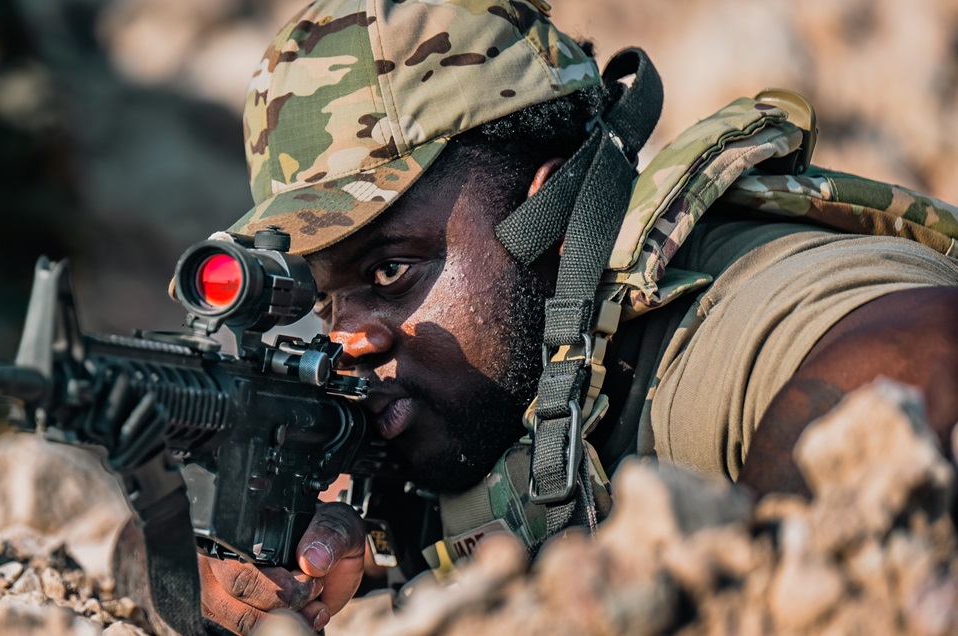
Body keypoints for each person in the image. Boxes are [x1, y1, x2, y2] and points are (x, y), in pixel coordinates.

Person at [195, 0, 958, 633]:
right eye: (326, 300)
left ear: (553, 222)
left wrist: (757, 559)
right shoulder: (469, 410)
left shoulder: (702, 326)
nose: (349, 339)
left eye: (391, 271)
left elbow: (923, 338)